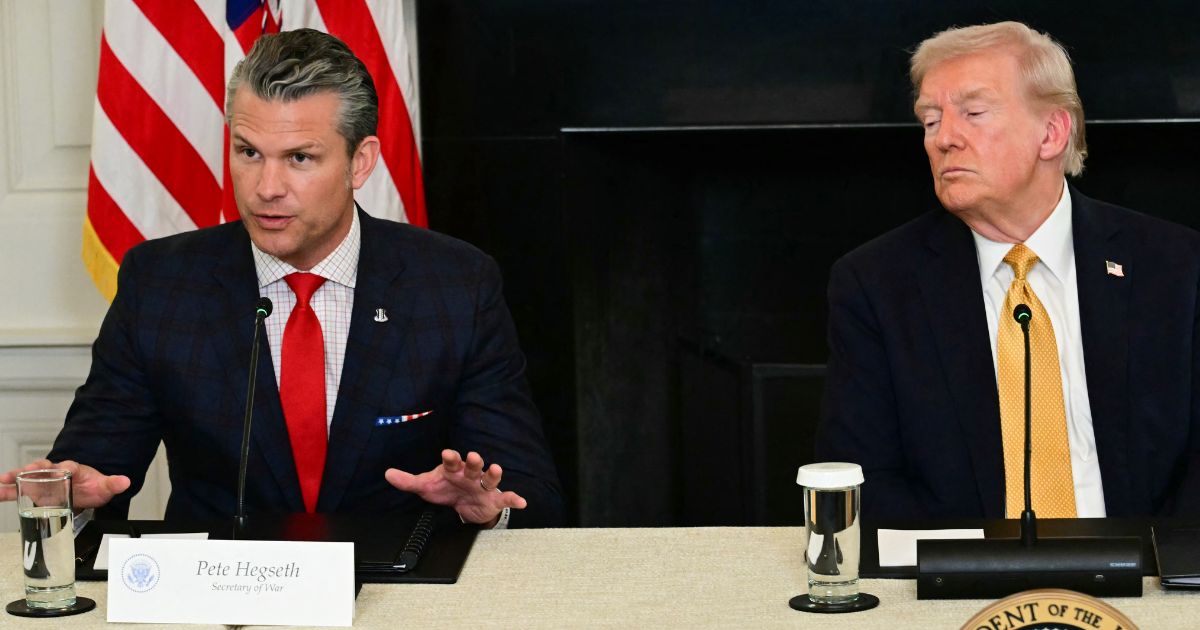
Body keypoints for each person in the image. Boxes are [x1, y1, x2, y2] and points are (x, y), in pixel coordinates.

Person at [0, 29, 562, 528]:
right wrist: (75, 493)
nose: (266, 187)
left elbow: (528, 491)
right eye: (248, 152)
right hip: (221, 594)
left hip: (398, 595)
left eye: (299, 158)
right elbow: (97, 463)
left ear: (360, 163)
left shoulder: (455, 285)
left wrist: (490, 511)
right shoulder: (161, 283)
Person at [815, 21, 1200, 521]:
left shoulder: (1174, 265)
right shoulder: (878, 284)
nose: (944, 139)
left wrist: (1164, 573)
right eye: (930, 121)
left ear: (1051, 132)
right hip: (960, 587)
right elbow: (858, 474)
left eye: (973, 113)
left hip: (1145, 578)